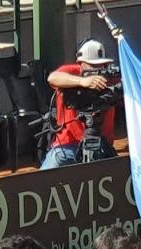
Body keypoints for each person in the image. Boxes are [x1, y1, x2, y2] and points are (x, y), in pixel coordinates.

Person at [41, 39, 120, 169]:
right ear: (81, 64)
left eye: (101, 65)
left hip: (102, 145)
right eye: (92, 65)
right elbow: (53, 78)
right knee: (43, 180)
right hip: (68, 146)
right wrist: (83, 82)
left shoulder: (110, 76)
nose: (98, 69)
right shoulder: (71, 71)